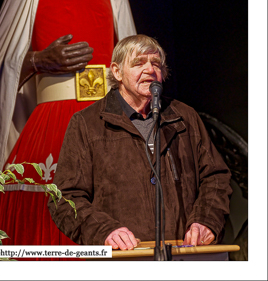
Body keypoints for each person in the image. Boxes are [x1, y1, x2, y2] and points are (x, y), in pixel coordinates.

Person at [0, 0, 136, 252]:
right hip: (51, 122)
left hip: (107, 123)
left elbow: (135, 71)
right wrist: (38, 60)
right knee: (44, 223)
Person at [48, 34, 232, 249]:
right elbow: (64, 198)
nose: (150, 70)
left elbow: (216, 177)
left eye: (156, 64)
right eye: (138, 63)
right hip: (123, 259)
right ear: (117, 72)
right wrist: (103, 231)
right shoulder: (87, 123)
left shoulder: (184, 116)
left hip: (184, 254)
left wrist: (206, 221)